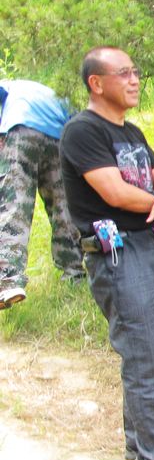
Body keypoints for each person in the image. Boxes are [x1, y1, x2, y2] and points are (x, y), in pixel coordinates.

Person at [59, 46, 154, 460]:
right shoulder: (82, 131)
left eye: (136, 72)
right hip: (117, 252)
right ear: (96, 83)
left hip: (149, 246)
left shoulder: (133, 132)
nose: (134, 79)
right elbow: (115, 193)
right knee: (143, 353)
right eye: (124, 73)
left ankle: (141, 438)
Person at [0, 79, 84, 308]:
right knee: (64, 207)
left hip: (21, 126)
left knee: (14, 206)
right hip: (62, 137)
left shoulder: (8, 87)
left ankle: (8, 281)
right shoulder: (54, 92)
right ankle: (75, 274)